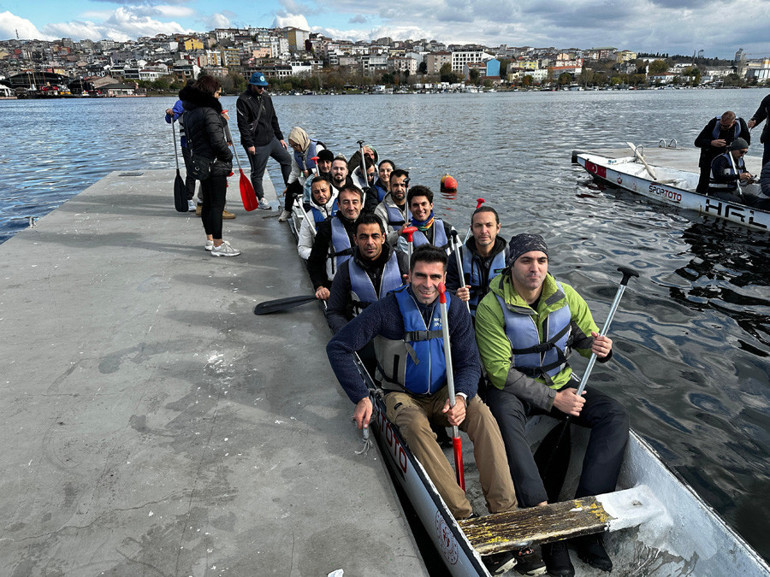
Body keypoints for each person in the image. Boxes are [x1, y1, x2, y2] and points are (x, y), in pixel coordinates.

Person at [327, 244, 528, 575]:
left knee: (484, 417)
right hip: (401, 394)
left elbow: (468, 361)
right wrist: (360, 395)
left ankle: (506, 515)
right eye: (420, 275)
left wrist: (461, 398)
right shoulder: (386, 310)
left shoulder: (455, 309)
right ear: (409, 276)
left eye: (435, 277)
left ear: (444, 278)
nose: (427, 283)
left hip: (444, 394)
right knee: (416, 427)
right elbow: (338, 347)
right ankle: (464, 519)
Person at [475, 233, 629, 576]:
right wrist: (552, 399)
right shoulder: (490, 307)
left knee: (614, 415)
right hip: (514, 389)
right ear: (511, 264)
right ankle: (541, 513)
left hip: (561, 382)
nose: (535, 268)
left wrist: (602, 349)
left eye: (541, 261)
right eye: (526, 261)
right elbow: (499, 372)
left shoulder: (566, 295)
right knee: (503, 420)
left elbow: (586, 341)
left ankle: (586, 520)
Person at [179, 76, 238, 257]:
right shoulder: (210, 112)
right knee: (217, 204)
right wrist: (228, 156)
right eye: (218, 91)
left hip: (201, 162)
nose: (219, 95)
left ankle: (210, 240)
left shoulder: (190, 112)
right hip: (215, 163)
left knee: (206, 203)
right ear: (211, 92)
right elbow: (217, 141)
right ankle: (219, 245)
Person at [326, 213, 409, 334]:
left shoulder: (403, 262)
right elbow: (334, 312)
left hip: (397, 334)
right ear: (355, 240)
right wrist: (347, 334)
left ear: (383, 238)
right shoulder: (345, 270)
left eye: (375, 236)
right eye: (364, 237)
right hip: (361, 334)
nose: (370, 242)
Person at [236, 71, 291, 210]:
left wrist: (280, 138)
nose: (262, 89)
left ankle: (290, 190)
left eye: (264, 86)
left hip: (271, 138)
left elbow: (274, 118)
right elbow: (242, 125)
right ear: (252, 85)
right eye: (259, 87)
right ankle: (260, 198)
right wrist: (249, 144)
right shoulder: (243, 100)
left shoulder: (266, 97)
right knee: (258, 172)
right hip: (256, 143)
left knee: (287, 159)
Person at [446, 206, 509, 317]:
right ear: (471, 229)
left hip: (499, 316)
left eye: (489, 225)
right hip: (468, 316)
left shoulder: (510, 256)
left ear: (498, 228)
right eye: (478, 226)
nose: (483, 231)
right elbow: (446, 289)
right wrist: (455, 295)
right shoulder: (457, 256)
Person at [307, 184, 364, 300]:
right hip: (337, 287)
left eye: (355, 202)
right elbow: (314, 262)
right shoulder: (327, 228)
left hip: (364, 284)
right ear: (338, 205)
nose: (351, 207)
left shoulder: (371, 226)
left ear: (361, 205)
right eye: (346, 202)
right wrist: (319, 286)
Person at [694, 111, 750, 193]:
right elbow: (698, 142)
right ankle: (701, 195)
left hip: (729, 156)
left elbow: (746, 142)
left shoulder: (740, 124)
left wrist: (734, 148)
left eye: (726, 126)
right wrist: (711, 142)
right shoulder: (714, 123)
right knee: (704, 180)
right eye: (721, 125)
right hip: (710, 155)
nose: (723, 127)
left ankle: (729, 194)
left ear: (733, 122)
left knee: (728, 176)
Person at [280, 126, 326, 222]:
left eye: (296, 145)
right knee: (291, 189)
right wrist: (288, 185)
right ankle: (287, 211)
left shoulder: (317, 148)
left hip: (320, 177)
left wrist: (310, 172)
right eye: (292, 146)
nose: (295, 148)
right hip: (305, 179)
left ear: (302, 141)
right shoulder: (296, 154)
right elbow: (295, 172)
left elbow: (325, 165)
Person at [397, 185, 455, 254]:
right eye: (415, 205)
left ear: (431, 205)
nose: (420, 209)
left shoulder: (448, 230)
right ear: (410, 208)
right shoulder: (404, 238)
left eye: (423, 204)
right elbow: (406, 263)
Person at [164, 96, 197, 211]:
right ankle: (188, 199)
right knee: (191, 171)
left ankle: (204, 199)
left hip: (202, 143)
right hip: (187, 143)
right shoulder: (181, 103)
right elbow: (169, 120)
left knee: (205, 170)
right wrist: (170, 114)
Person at [298, 175, 338, 260]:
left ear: (330, 189)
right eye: (316, 192)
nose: (321, 195)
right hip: (324, 260)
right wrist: (317, 254)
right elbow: (302, 248)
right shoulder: (309, 217)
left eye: (324, 191)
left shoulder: (343, 208)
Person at [375, 168, 409, 235]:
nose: (399, 189)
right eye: (395, 185)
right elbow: (382, 238)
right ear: (390, 186)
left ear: (408, 186)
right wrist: (399, 233)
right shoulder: (380, 210)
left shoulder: (416, 205)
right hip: (394, 245)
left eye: (402, 185)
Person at [748, 92, 770, 166]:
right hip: (769, 136)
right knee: (767, 163)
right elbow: (760, 114)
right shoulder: (767, 99)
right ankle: (765, 177)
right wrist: (754, 120)